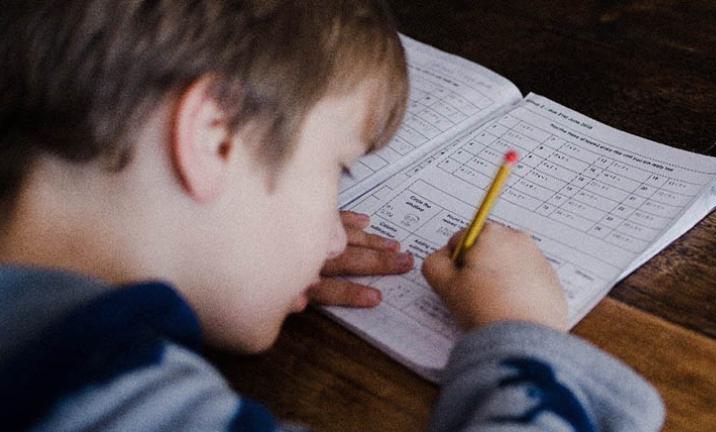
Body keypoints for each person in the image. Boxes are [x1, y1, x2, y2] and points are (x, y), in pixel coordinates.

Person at [0, 1, 664, 431]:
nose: (330, 234)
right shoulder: (95, 393)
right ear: (215, 138)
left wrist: (229, 263)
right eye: (336, 170)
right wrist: (522, 335)